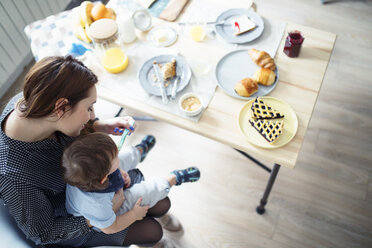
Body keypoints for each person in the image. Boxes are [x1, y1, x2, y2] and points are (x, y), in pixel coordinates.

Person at [0, 55, 180, 247]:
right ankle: (153, 242)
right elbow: (44, 233)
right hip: (78, 215)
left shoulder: (36, 100)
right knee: (152, 231)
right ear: (61, 107)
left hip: (96, 176)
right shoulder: (14, 177)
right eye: (89, 108)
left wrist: (100, 126)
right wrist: (97, 216)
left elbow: (69, 124)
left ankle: (153, 216)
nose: (93, 114)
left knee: (162, 204)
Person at [61, 132, 200, 236]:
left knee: (122, 158)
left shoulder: (87, 174)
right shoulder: (97, 207)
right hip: (110, 214)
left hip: (104, 184)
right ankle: (173, 179)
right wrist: (134, 215)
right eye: (113, 155)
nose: (117, 153)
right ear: (104, 178)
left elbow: (110, 166)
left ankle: (139, 151)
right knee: (141, 194)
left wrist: (118, 171)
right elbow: (110, 228)